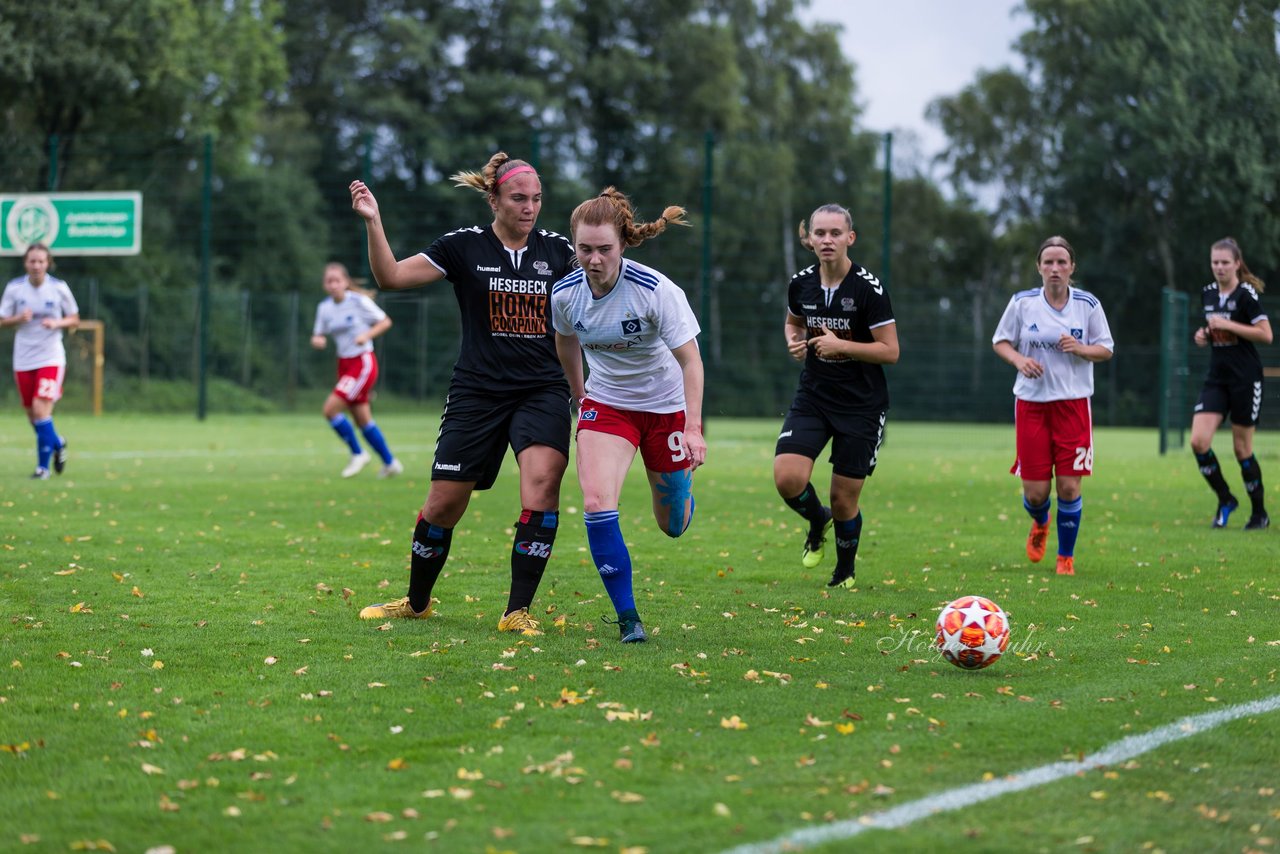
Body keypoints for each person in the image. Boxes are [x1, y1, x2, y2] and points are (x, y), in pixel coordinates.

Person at [350, 152, 576, 636]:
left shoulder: (560, 253)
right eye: (519, 198)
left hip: (543, 390)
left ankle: (517, 611)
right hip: (477, 391)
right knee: (443, 505)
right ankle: (416, 602)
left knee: (542, 486)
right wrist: (374, 222)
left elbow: (603, 282)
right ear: (493, 199)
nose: (529, 207)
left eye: (536, 199)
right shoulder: (463, 247)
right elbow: (390, 277)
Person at [551, 187, 705, 644]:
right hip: (608, 406)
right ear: (573, 245)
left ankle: (680, 491)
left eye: (604, 249)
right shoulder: (564, 295)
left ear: (622, 244)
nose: (593, 259)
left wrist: (693, 429)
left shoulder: (656, 291)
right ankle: (628, 618)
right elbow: (565, 342)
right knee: (597, 503)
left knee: (672, 525)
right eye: (584, 249)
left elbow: (691, 361)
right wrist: (581, 398)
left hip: (665, 409)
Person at [773, 204, 898, 589]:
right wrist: (796, 343)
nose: (827, 240)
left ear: (850, 238)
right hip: (814, 396)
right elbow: (793, 323)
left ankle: (844, 571)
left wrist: (840, 346)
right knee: (787, 479)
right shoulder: (801, 283)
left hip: (861, 405)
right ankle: (816, 519)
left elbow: (890, 351)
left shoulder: (868, 289)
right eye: (820, 233)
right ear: (810, 239)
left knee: (844, 499)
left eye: (835, 233)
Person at [992, 236, 1114, 576]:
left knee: (1070, 487)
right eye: (1049, 262)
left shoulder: (1087, 305)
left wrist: (1080, 348)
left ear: (1072, 267)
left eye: (1062, 262)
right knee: (1035, 493)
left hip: (1073, 405)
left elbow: (1106, 349)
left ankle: (1065, 557)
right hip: (1031, 404)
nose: (1055, 268)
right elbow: (1000, 341)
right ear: (1039, 267)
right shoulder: (1022, 303)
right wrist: (1019, 360)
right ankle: (1041, 521)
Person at [1190, 237, 1272, 530]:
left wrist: (1228, 325)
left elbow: (1266, 334)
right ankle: (1226, 498)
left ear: (1237, 264)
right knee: (1198, 442)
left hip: (1245, 379)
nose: (1220, 267)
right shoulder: (1208, 294)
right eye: (1215, 262)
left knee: (1242, 449)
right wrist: (1205, 335)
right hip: (1217, 378)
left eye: (1225, 262)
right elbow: (1215, 331)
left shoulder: (1246, 295)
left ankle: (1259, 513)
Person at [310, 261, 402, 479]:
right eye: (329, 281)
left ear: (345, 282)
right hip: (343, 364)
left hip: (362, 363)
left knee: (330, 410)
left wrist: (366, 335)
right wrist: (318, 340)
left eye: (337, 280)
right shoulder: (324, 308)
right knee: (363, 420)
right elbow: (318, 333)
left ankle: (358, 453)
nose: (333, 285)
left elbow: (385, 321)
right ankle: (391, 463)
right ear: (325, 285)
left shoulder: (359, 302)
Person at [1, 243, 79, 479]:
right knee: (32, 416)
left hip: (51, 357)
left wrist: (58, 323)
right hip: (23, 358)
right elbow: (2, 319)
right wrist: (17, 318)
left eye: (41, 261)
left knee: (40, 409)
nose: (36, 266)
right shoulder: (15, 289)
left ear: (48, 263)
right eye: (32, 261)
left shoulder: (58, 288)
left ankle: (42, 468)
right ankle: (57, 442)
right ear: (26, 263)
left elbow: (74, 318)